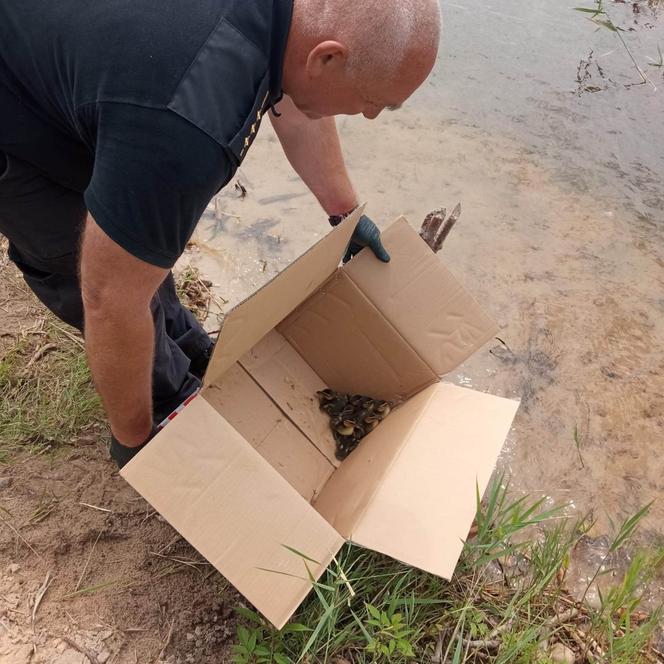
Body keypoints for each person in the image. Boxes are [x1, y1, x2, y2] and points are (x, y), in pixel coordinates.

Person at [0, 0, 442, 468]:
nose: (371, 116)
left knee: (141, 245)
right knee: (86, 259)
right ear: (327, 58)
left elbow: (291, 100)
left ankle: (190, 356)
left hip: (91, 59)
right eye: (374, 102)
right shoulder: (188, 126)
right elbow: (108, 297)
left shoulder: (293, 23)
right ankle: (164, 410)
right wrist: (132, 438)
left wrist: (344, 212)